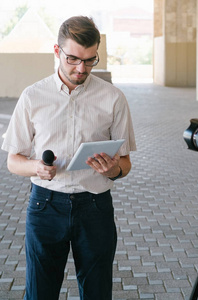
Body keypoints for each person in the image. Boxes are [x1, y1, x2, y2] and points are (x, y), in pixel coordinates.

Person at [1, 16, 136, 300]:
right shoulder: (32, 96)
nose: (81, 68)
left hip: (96, 207)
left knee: (98, 292)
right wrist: (36, 167)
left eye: (89, 60)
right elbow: (13, 160)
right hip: (45, 205)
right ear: (57, 50)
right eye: (73, 59)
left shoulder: (113, 98)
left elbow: (125, 163)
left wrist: (113, 171)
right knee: (40, 293)